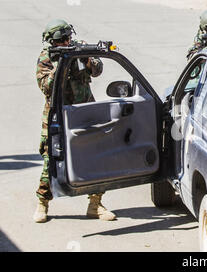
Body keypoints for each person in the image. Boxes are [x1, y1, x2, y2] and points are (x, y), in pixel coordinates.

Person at [33, 19, 116, 223]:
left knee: (95, 158)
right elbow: (46, 87)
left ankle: (95, 204)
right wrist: (61, 63)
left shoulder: (78, 48)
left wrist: (87, 56)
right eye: (64, 39)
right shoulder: (46, 58)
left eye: (69, 37)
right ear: (54, 41)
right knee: (50, 160)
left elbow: (97, 71)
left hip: (84, 111)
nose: (68, 41)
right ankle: (42, 203)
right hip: (58, 114)